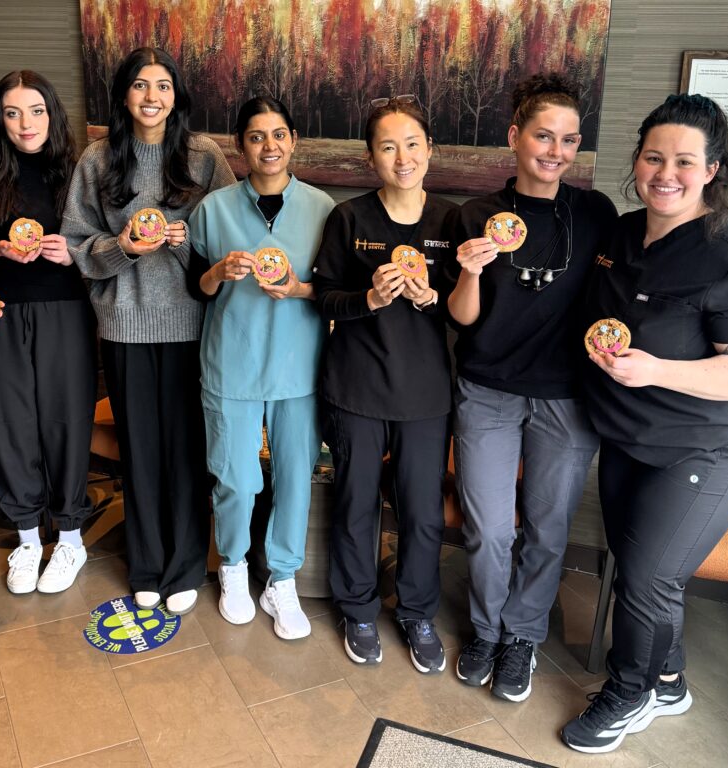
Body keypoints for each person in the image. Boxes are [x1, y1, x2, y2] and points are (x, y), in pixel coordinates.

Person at [561, 94, 728, 753]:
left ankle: (629, 692)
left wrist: (658, 370)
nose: (666, 173)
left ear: (712, 169)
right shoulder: (622, 235)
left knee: (648, 576)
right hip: (628, 437)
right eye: (654, 157)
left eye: (685, 161)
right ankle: (668, 678)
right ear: (637, 160)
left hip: (707, 449)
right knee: (642, 566)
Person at [447, 74, 617, 702]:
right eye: (544, 136)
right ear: (515, 137)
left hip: (567, 396)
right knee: (489, 529)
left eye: (569, 140)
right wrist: (469, 272)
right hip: (487, 389)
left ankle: (522, 636)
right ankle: (486, 630)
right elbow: (462, 319)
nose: (556, 151)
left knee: (548, 528)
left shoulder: (595, 214)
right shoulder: (475, 216)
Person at [62, 47, 236, 615]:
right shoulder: (98, 158)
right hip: (125, 325)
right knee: (138, 450)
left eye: (163, 85)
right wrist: (125, 247)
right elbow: (76, 245)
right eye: (140, 85)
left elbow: (231, 243)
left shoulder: (204, 157)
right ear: (124, 95)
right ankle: (145, 565)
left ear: (176, 95)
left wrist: (188, 245)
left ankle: (185, 564)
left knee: (186, 450)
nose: (152, 96)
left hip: (191, 326)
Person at [313, 96, 456, 672]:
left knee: (422, 511)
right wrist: (368, 299)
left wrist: (432, 298)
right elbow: (323, 297)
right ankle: (358, 609)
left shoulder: (452, 221)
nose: (403, 158)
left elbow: (469, 309)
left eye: (412, 144)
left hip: (426, 393)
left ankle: (417, 612)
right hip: (357, 387)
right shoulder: (349, 218)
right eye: (388, 147)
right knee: (356, 504)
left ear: (430, 150)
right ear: (370, 157)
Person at [187, 96, 334, 639]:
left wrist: (298, 288)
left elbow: (333, 289)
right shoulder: (214, 210)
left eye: (278, 135)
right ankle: (232, 566)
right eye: (256, 136)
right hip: (233, 363)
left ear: (293, 141)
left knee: (295, 477)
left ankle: (282, 578)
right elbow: (195, 288)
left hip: (298, 368)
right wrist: (219, 272)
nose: (269, 146)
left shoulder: (323, 209)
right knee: (236, 478)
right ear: (240, 146)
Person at [0, 71, 96, 595]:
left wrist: (74, 253)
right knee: (7, 421)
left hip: (66, 310)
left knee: (66, 421)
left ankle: (71, 538)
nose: (25, 123)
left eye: (36, 111)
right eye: (12, 113)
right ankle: (27, 538)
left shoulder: (79, 171)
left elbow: (103, 240)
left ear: (52, 114)